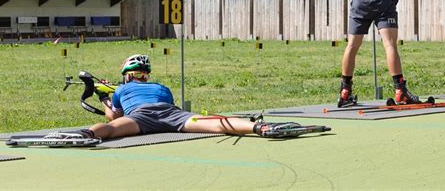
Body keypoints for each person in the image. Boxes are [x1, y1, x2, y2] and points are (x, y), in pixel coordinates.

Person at [46, 54, 326, 140]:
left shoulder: (121, 90)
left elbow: (113, 117)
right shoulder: (161, 87)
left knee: (109, 131)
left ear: (127, 75)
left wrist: (103, 98)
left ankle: (83, 135)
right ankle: (261, 127)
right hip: (172, 113)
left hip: (140, 118)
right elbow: (165, 103)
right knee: (217, 122)